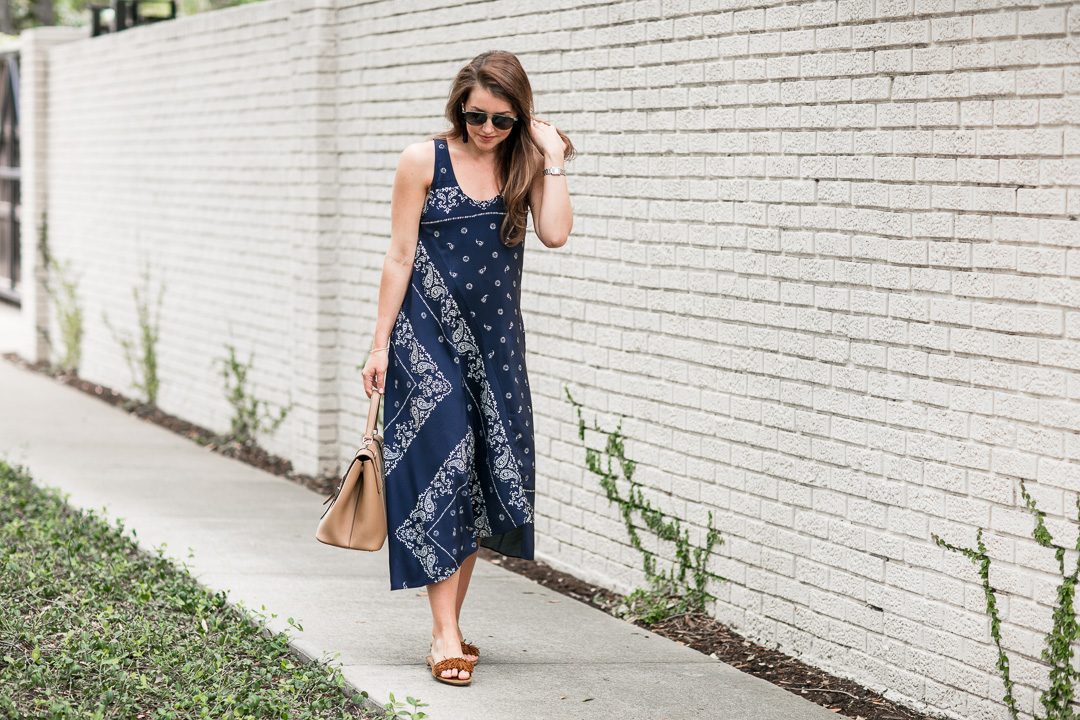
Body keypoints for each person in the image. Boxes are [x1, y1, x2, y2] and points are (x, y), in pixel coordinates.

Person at [360, 50, 575, 686]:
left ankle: (447, 625)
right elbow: (399, 257)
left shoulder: (526, 163)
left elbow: (556, 233)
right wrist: (378, 346)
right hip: (425, 341)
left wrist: (552, 158)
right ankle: (446, 633)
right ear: (459, 106)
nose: (486, 130)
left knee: (482, 476)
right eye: (475, 115)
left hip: (498, 347)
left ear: (520, 119)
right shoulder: (422, 159)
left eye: (502, 120)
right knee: (444, 465)